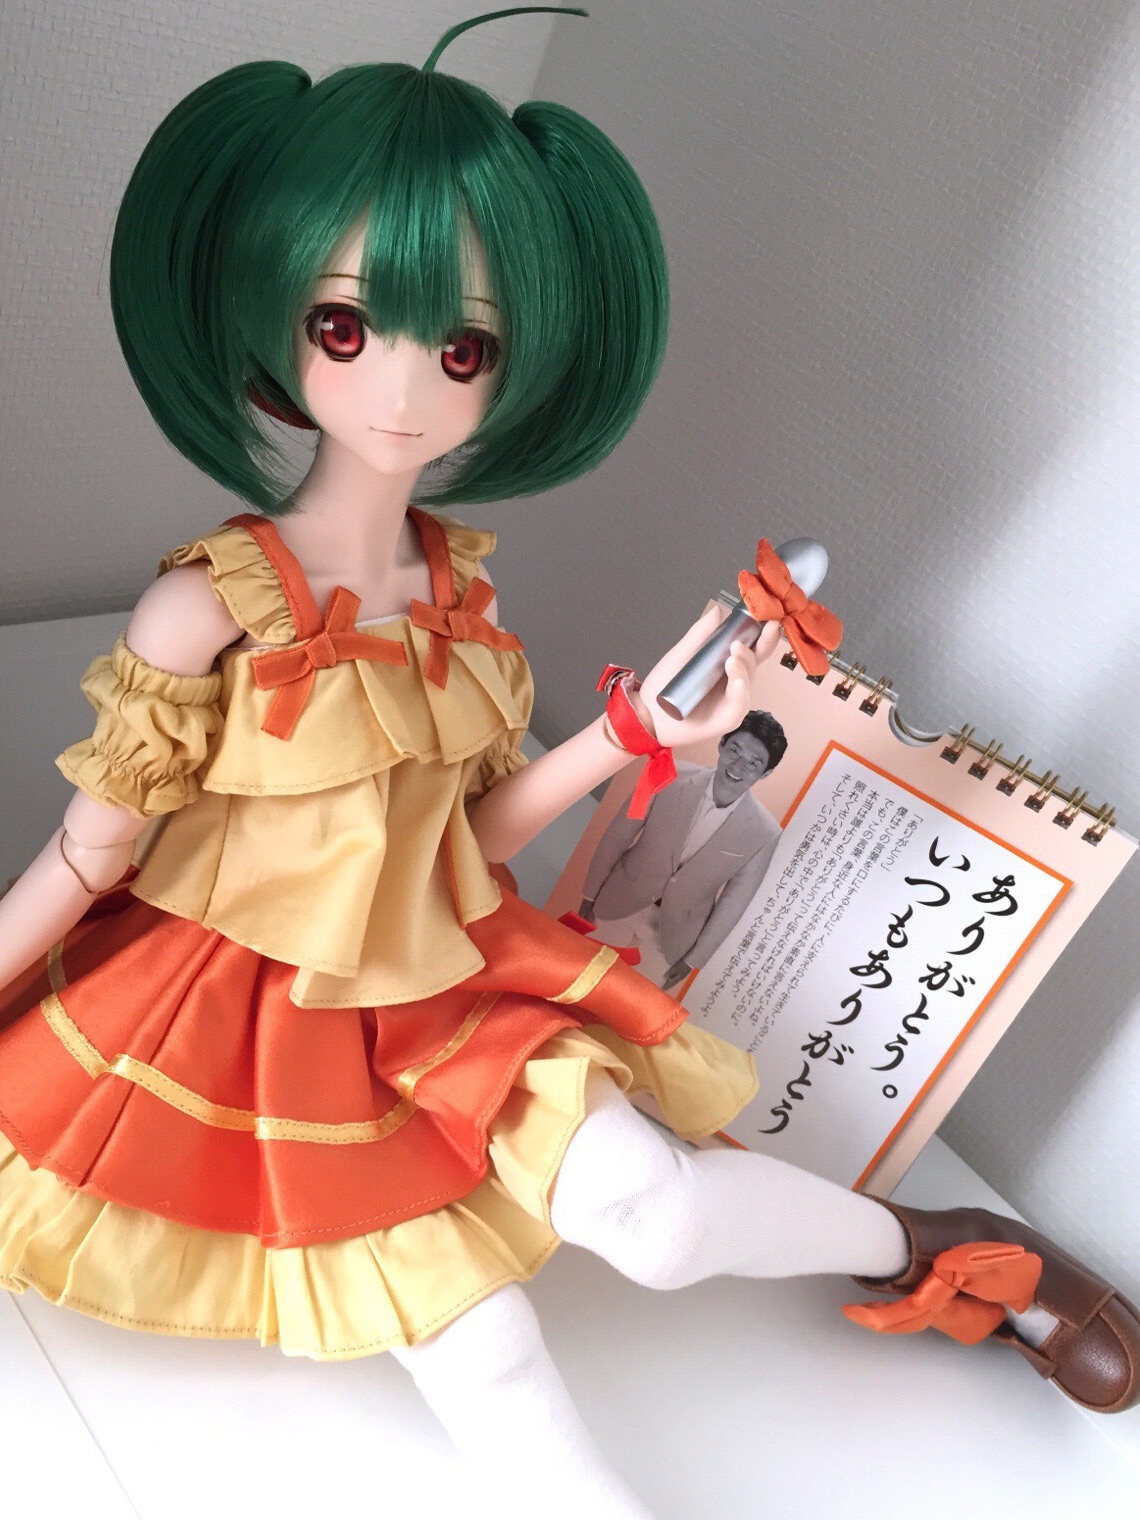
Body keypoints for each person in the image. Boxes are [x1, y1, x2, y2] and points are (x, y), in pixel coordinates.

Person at [0, 12, 1135, 1519]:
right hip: (251, 1016)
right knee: (486, 1354)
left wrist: (628, 736)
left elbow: (466, 835)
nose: (403, 390)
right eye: (345, 328)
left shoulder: (456, 594)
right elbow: (91, 850)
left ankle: (945, 1248)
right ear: (272, 316)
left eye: (460, 347)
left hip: (445, 969)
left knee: (656, 1221)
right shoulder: (203, 612)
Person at [581, 710, 786, 989]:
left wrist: (694, 960)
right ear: (722, 744)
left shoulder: (765, 832)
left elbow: (734, 902)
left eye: (753, 763)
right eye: (735, 750)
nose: (738, 766)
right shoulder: (666, 772)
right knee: (577, 981)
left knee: (621, 1008)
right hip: (616, 902)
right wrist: (589, 894)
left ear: (766, 772)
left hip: (673, 940)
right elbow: (618, 834)